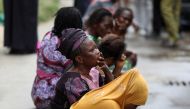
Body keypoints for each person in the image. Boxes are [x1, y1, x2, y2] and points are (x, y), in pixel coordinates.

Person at [51, 28, 148, 109]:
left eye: (96, 47)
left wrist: (107, 68)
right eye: (92, 50)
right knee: (110, 105)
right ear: (80, 59)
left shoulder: (93, 72)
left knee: (134, 78)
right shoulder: (72, 81)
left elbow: (110, 90)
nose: (98, 52)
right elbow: (93, 104)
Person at [31, 7, 83, 109]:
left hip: (38, 93)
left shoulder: (49, 35)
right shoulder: (66, 44)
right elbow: (78, 67)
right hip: (51, 98)